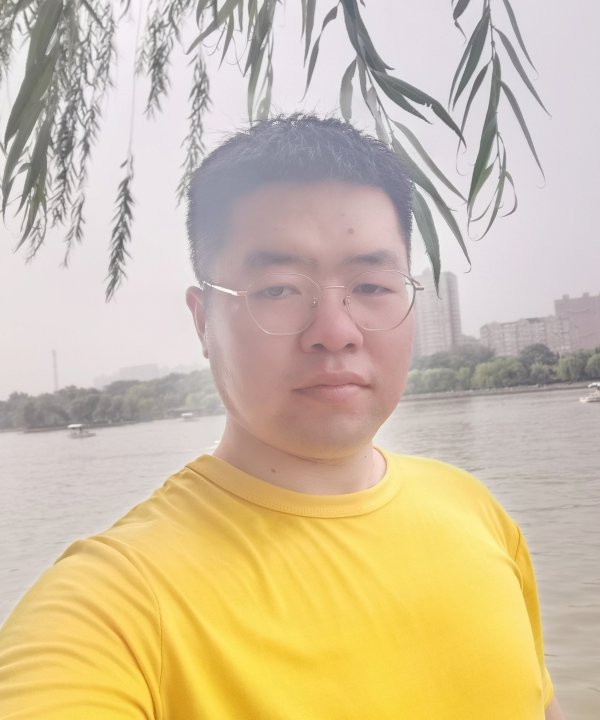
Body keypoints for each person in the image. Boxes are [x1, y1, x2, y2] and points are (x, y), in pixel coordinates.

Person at [0, 115, 565, 719]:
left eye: (372, 286)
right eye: (278, 289)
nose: (336, 332)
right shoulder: (116, 607)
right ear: (203, 321)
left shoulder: (477, 512)